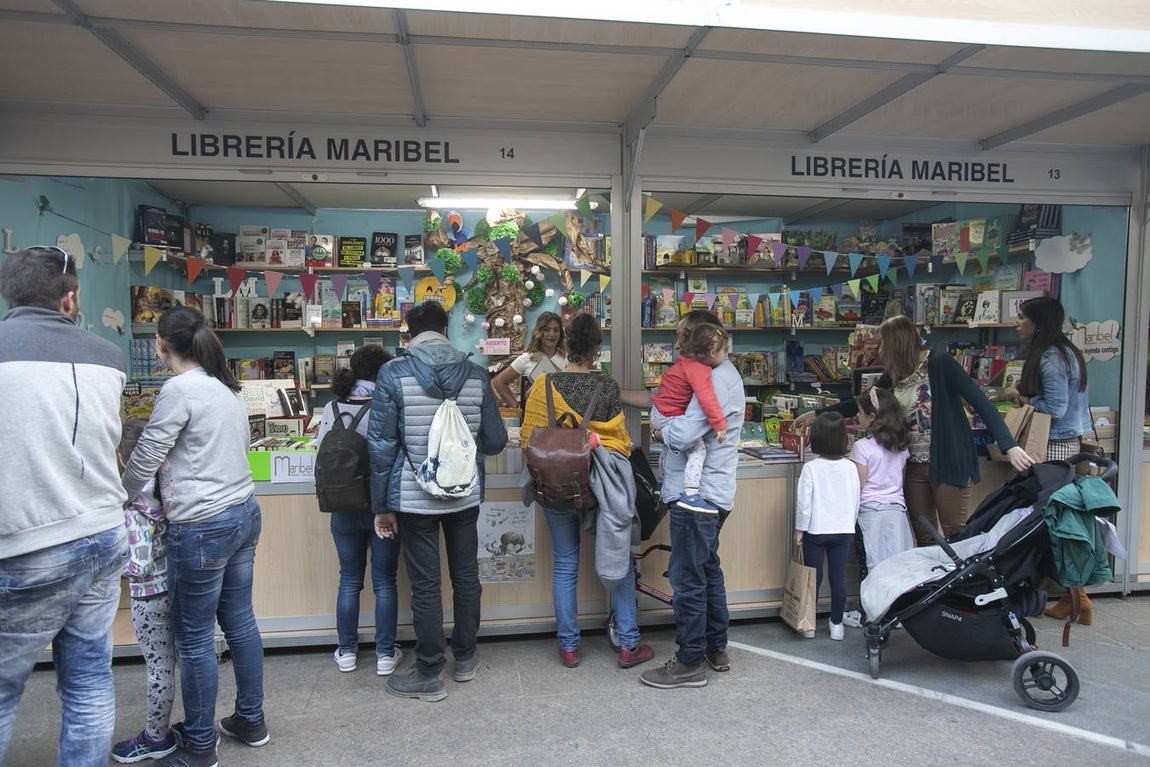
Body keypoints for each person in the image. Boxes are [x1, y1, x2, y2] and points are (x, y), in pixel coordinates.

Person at [0, 246, 129, 767]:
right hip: (101, 532)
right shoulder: (109, 357)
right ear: (70, 298)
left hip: (26, 540)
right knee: (89, 682)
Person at [121, 306, 267, 767]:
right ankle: (251, 719)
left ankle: (200, 744)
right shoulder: (226, 388)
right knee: (240, 622)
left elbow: (145, 457)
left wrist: (122, 497)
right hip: (243, 512)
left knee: (195, 636)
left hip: (202, 526)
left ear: (160, 346)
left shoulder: (177, 390)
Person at [367, 301, 508, 702]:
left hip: (415, 500)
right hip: (465, 496)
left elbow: (380, 446)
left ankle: (429, 671)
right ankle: (465, 659)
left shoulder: (393, 374)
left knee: (426, 586)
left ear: (409, 333)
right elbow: (496, 441)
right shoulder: (477, 376)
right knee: (466, 577)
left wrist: (382, 505)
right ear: (446, 330)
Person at [797, 316, 1033, 545]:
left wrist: (1009, 445)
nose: (879, 352)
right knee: (925, 537)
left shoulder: (940, 363)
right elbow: (864, 403)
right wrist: (819, 414)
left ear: (897, 345)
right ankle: (929, 585)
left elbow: (981, 402)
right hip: (912, 466)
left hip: (947, 462)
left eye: (883, 345)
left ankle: (960, 585)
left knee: (955, 536)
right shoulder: (894, 374)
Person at [521, 314, 654, 670]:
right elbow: (619, 443)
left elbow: (528, 438)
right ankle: (629, 644)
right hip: (602, 488)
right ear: (596, 349)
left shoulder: (543, 385)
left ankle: (568, 647)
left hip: (557, 483)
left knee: (565, 563)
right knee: (618, 557)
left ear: (564, 345)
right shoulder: (607, 387)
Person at [640, 309, 744, 690]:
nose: (679, 343)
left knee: (688, 578)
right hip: (708, 493)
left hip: (696, 496)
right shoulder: (715, 374)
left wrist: (659, 430)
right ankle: (716, 647)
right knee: (707, 569)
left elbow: (684, 434)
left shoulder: (715, 379)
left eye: (685, 336)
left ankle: (688, 662)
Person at [1004, 296, 1095, 624]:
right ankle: (1075, 598)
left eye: (1022, 317)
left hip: (1053, 446)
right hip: (1068, 443)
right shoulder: (1067, 351)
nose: (1017, 323)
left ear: (1038, 322)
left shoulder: (1051, 358)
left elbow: (1055, 408)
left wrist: (1022, 397)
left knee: (1050, 520)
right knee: (1058, 520)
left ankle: (1077, 598)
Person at [316, 345, 404, 675]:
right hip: (381, 506)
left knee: (349, 579)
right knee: (384, 580)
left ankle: (347, 651)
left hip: (341, 505)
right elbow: (391, 458)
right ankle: (384, 654)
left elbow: (320, 453)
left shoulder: (331, 407)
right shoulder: (384, 405)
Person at [111, 419, 179, 763]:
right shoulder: (172, 487)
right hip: (181, 584)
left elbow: (129, 561)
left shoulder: (125, 500)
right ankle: (194, 728)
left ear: (123, 460)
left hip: (147, 592)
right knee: (186, 659)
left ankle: (156, 736)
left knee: (158, 667)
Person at [649, 322, 730, 515]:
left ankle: (662, 482)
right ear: (712, 353)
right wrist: (719, 424)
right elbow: (706, 398)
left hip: (658, 412)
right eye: (724, 351)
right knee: (698, 451)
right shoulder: (700, 370)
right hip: (669, 415)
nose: (725, 356)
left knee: (668, 447)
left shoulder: (684, 360)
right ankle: (692, 494)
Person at [794, 412, 861, 640]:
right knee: (838, 578)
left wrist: (799, 529)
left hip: (816, 530)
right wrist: (849, 524)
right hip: (843, 530)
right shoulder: (851, 467)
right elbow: (856, 500)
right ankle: (836, 624)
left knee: (814, 577)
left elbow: (804, 504)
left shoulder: (811, 468)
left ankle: (809, 624)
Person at [850, 387, 914, 573]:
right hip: (896, 512)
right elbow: (899, 480)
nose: (857, 415)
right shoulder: (901, 446)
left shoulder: (861, 447)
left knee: (871, 565)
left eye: (860, 412)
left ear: (872, 416)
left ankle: (870, 602)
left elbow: (858, 486)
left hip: (870, 513)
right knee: (897, 564)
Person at [491, 311, 566, 409]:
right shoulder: (528, 358)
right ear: (539, 332)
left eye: (556, 330)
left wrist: (546, 361)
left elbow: (566, 384)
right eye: (546, 330)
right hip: (532, 416)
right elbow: (498, 382)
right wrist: (515, 405)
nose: (552, 334)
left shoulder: (566, 358)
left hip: (561, 416)